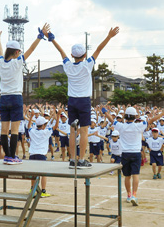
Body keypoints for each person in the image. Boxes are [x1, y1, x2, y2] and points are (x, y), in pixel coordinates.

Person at [43, 26, 119, 169]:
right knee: (83, 131)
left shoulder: (68, 66)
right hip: (84, 100)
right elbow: (98, 49)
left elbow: (61, 52)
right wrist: (109, 36)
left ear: (72, 56)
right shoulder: (88, 65)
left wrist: (52, 38)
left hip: (71, 100)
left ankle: (72, 159)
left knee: (73, 131)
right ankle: (82, 159)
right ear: (84, 55)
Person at [0, 23, 50, 165]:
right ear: (17, 52)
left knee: (4, 130)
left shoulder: (1, 62)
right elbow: (31, 49)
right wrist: (40, 36)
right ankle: (13, 156)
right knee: (15, 130)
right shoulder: (17, 62)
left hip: (4, 98)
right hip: (16, 97)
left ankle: (7, 156)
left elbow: (0, 52)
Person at [104, 106, 164, 206]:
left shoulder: (121, 126)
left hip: (125, 153)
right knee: (135, 175)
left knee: (127, 176)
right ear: (135, 116)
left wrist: (105, 111)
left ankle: (129, 195)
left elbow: (111, 119)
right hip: (136, 152)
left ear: (125, 116)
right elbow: (151, 120)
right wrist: (162, 113)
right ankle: (134, 195)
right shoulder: (139, 125)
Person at [28, 108, 60, 197]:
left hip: (32, 154)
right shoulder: (46, 132)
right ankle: (43, 191)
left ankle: (32, 189)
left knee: (33, 174)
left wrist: (31, 117)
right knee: (43, 174)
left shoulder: (32, 131)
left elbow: (28, 127)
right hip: (41, 155)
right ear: (43, 125)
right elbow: (56, 126)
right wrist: (58, 116)